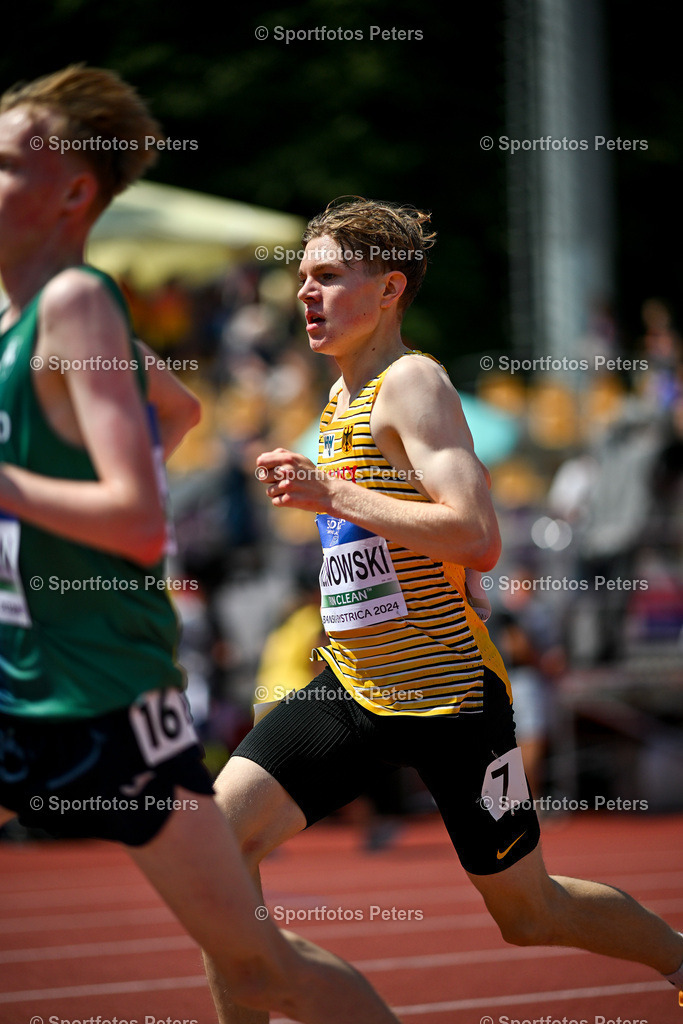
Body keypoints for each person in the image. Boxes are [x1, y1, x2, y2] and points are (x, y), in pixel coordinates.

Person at [205, 197, 683, 1023]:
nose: (305, 296)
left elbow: (475, 534)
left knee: (530, 915)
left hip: (451, 696)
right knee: (213, 853)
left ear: (389, 289)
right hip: (355, 688)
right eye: (301, 279)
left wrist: (332, 490)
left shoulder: (411, 383)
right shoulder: (335, 402)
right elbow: (382, 546)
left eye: (327, 277)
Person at [0, 67, 401, 1024]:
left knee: (256, 964)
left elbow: (138, 519)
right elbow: (173, 409)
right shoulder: (18, 320)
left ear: (72, 191)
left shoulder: (74, 306)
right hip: (19, 675)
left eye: (7, 161)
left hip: (103, 693)